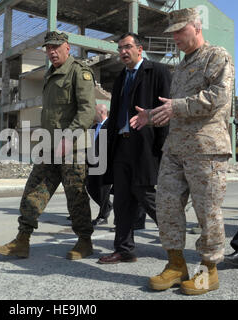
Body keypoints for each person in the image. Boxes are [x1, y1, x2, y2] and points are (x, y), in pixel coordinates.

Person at [130, 8, 235, 295]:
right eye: (172, 32)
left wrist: (175, 107)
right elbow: (175, 107)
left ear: (196, 27)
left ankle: (208, 271)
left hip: (206, 149)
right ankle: (176, 265)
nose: (174, 37)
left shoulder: (217, 56)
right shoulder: (180, 67)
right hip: (175, 149)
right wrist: (153, 115)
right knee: (166, 206)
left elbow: (218, 97)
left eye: (179, 31)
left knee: (207, 212)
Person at [0, 31, 96, 260]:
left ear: (67, 48)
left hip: (73, 148)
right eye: (48, 48)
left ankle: (84, 242)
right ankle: (22, 240)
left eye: (56, 47)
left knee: (75, 196)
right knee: (33, 189)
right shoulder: (50, 74)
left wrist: (68, 139)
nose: (51, 52)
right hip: (49, 146)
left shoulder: (79, 72)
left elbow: (87, 110)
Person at [97, 32, 171, 264]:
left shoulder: (157, 71)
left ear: (140, 49)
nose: (122, 52)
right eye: (119, 48)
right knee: (121, 200)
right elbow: (117, 112)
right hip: (121, 146)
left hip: (145, 146)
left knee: (146, 194)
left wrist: (162, 147)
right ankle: (124, 249)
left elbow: (166, 111)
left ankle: (174, 244)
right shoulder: (121, 77)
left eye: (127, 47)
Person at [86, 104, 113, 226]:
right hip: (92, 164)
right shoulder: (93, 127)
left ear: (101, 112)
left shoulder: (111, 126)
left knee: (103, 190)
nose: (92, 114)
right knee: (91, 188)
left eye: (94, 112)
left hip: (105, 164)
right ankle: (107, 206)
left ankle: (103, 216)